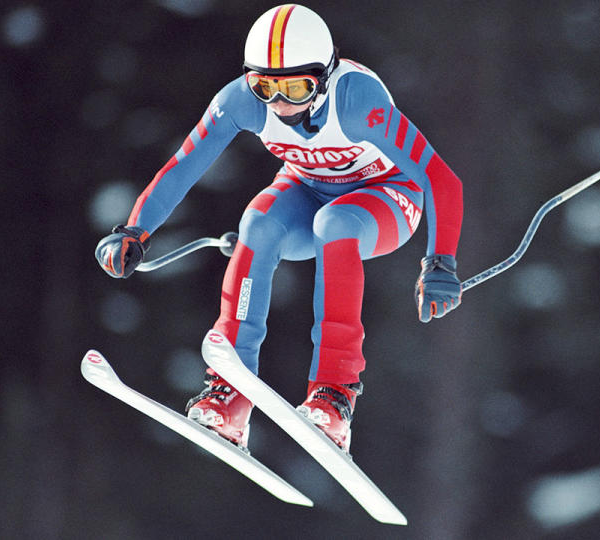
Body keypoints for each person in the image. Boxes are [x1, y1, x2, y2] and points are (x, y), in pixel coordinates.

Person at [95, 4, 463, 452]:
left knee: (336, 223)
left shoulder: (357, 104)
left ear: (324, 77)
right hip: (307, 186)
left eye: (295, 86)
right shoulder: (241, 101)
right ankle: (230, 393)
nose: (280, 103)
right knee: (258, 222)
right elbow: (184, 165)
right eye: (265, 86)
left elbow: (440, 180)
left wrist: (440, 260)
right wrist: (135, 230)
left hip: (387, 196)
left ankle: (334, 396)